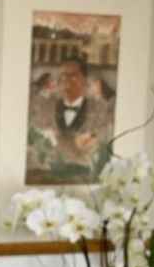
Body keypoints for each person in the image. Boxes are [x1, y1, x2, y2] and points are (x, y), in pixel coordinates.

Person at [26, 56, 114, 184]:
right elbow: (37, 147)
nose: (66, 80)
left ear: (85, 80)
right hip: (47, 178)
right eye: (62, 76)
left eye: (72, 75)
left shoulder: (100, 110)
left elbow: (99, 148)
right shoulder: (45, 108)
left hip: (85, 182)